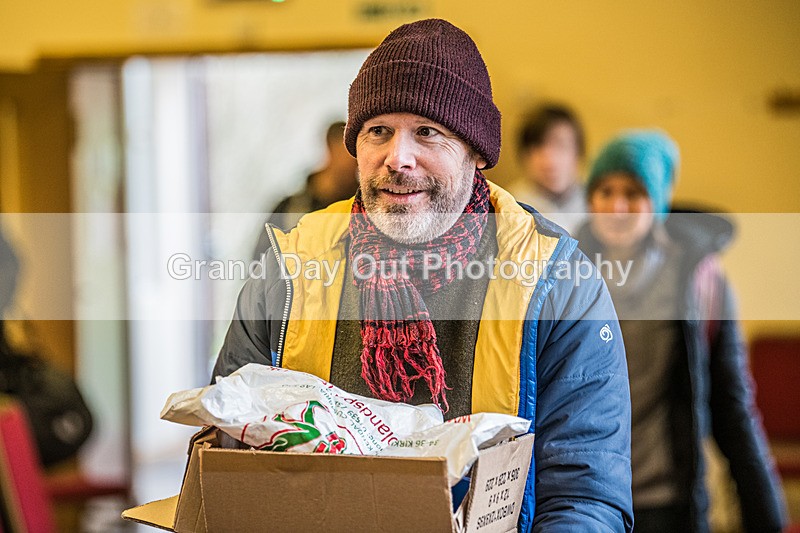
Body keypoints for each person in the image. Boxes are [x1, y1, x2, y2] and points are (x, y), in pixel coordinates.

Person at [214, 19, 632, 532]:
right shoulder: (290, 269)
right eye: (378, 131)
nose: (398, 158)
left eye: (428, 132)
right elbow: (229, 455)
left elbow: (585, 496)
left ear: (476, 152)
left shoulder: (558, 282)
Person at [576, 130, 787, 533]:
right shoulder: (564, 270)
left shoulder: (700, 282)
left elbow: (731, 402)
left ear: (657, 202)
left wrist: (765, 515)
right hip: (585, 499)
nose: (616, 207)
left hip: (666, 500)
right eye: (605, 191)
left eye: (633, 194)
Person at [253, 121, 358, 259]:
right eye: (350, 151)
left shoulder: (364, 209)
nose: (357, 160)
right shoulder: (290, 209)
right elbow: (261, 263)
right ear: (330, 147)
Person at [507, 104, 587, 235]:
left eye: (561, 146)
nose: (550, 161)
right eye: (539, 147)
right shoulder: (509, 207)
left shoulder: (598, 203)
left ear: (578, 153)